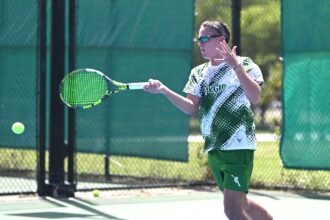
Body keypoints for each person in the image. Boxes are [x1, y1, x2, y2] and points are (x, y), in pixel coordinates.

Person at [143, 20, 272, 220]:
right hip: (214, 147)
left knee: (232, 209)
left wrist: (235, 66)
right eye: (198, 39)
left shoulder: (245, 64)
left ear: (221, 40)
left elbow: (255, 97)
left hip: (238, 146)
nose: (200, 43)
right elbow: (191, 108)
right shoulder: (198, 73)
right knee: (241, 203)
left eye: (204, 38)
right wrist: (163, 90)